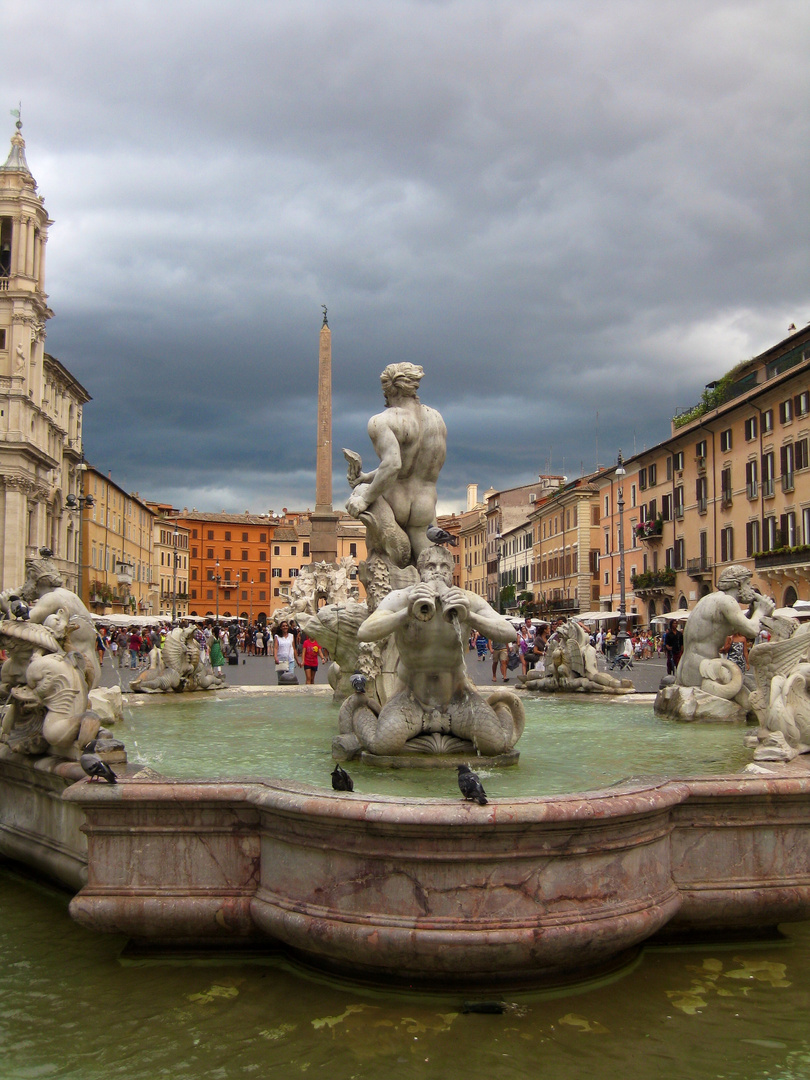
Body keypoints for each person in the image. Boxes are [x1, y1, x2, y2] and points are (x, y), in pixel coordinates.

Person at [353, 545, 521, 756]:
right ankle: (360, 709)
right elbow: (365, 631)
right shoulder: (403, 597)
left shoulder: (466, 599)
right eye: (431, 566)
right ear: (420, 572)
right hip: (412, 699)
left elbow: (509, 633)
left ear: (451, 572)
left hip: (458, 699)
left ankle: (499, 709)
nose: (437, 571)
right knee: (382, 745)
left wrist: (470, 616)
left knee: (495, 745)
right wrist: (406, 613)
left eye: (444, 567)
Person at [345, 363, 447, 568]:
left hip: (396, 502)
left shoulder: (381, 421)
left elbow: (393, 465)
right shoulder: (436, 419)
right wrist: (368, 476)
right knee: (430, 573)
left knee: (386, 574)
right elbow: (409, 464)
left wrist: (364, 498)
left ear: (389, 389)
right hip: (425, 505)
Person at [676, 565, 774, 688]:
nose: (751, 589)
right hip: (703, 668)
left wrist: (752, 613)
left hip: (689, 667)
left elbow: (734, 628)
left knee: (747, 688)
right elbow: (752, 631)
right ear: (738, 584)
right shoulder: (728, 601)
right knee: (744, 700)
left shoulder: (710, 599)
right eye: (748, 584)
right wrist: (761, 611)